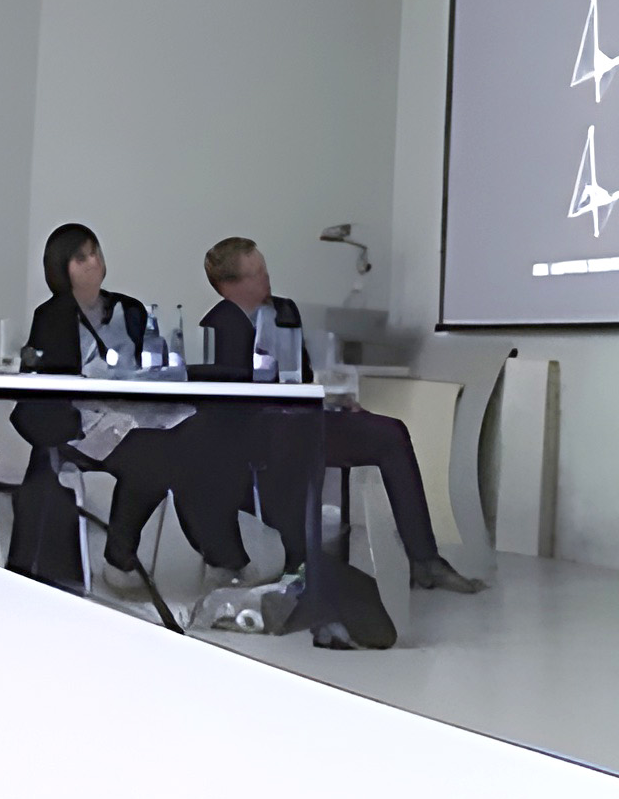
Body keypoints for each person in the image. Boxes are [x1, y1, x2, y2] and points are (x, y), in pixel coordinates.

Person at [182, 237, 481, 609]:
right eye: (256, 274)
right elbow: (225, 402)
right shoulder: (216, 326)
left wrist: (334, 402)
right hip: (259, 435)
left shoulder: (285, 310)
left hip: (304, 419)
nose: (267, 278)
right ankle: (300, 565)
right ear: (230, 286)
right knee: (285, 442)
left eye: (264, 269)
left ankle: (425, 560)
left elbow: (304, 377)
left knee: (390, 433)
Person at [11, 222, 206, 595]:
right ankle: (120, 557)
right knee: (155, 454)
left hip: (139, 414)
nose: (93, 262)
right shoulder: (51, 315)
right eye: (80, 258)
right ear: (61, 268)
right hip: (84, 425)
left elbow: (154, 361)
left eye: (94, 252)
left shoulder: (129, 308)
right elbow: (48, 384)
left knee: (191, 439)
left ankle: (215, 552)